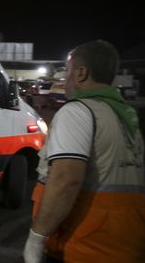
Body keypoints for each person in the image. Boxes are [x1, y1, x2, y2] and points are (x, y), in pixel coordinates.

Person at [23, 40, 145, 263]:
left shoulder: (78, 112)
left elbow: (65, 180)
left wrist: (36, 237)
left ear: (81, 73)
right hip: (127, 241)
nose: (65, 79)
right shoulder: (127, 118)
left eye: (67, 72)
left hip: (84, 244)